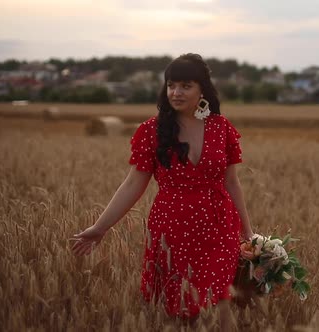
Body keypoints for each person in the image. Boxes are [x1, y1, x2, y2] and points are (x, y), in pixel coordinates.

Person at [71, 53, 254, 328]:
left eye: (185, 86)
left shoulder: (221, 128)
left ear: (202, 89)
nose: (176, 92)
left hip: (219, 225)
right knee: (181, 306)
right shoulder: (151, 131)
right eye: (171, 85)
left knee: (220, 299)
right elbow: (133, 183)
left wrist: (248, 233)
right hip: (173, 229)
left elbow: (231, 183)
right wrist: (100, 228)